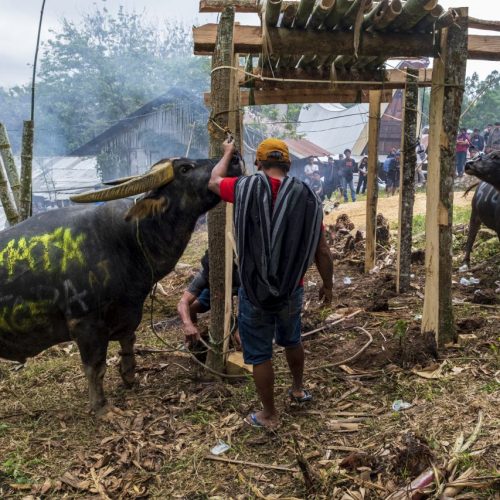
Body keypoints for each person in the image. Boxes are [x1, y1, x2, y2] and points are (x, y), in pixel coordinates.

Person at [208, 138, 334, 430]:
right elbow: (322, 250)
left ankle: (269, 414)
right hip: (292, 288)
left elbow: (214, 181)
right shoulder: (308, 198)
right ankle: (298, 389)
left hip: (254, 290)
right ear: (288, 164)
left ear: (259, 163)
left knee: (261, 354)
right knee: (292, 339)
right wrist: (328, 285)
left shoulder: (243, 188)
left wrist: (227, 152)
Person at [177, 250, 240, 349]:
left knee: (241, 332)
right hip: (213, 292)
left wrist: (240, 330)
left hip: (239, 290)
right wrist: (188, 324)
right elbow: (183, 302)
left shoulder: (240, 276)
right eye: (211, 275)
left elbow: (249, 307)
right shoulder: (204, 275)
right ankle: (193, 336)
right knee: (191, 307)